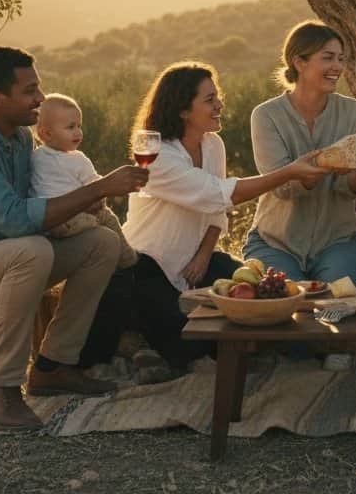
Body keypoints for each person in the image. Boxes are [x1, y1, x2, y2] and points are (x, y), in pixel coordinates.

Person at [0, 47, 152, 431]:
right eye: (30, 90)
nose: (40, 98)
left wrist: (87, 201)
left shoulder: (21, 139)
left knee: (101, 243)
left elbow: (40, 201)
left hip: (2, 260)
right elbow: (16, 219)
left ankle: (54, 366)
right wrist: (97, 189)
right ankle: (0, 390)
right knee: (32, 250)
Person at [118, 61, 330, 373]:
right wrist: (289, 172)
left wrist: (204, 255)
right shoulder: (158, 156)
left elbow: (217, 210)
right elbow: (217, 194)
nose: (220, 104)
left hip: (195, 261)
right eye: (209, 100)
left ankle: (313, 346)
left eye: (218, 96)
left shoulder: (212, 144)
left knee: (259, 298)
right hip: (150, 266)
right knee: (191, 343)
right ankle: (133, 339)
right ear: (182, 110)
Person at [245, 21, 356, 286]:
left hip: (338, 242)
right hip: (276, 242)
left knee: (338, 307)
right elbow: (281, 187)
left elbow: (346, 187)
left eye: (341, 59)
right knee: (281, 306)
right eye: (327, 58)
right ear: (299, 62)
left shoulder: (353, 112)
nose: (337, 67)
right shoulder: (266, 115)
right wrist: (327, 163)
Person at [29, 93, 139, 270]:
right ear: (46, 133)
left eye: (79, 126)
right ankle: (129, 260)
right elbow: (98, 188)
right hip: (73, 218)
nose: (78, 132)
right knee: (107, 217)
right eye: (71, 127)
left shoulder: (34, 157)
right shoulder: (78, 159)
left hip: (47, 224)